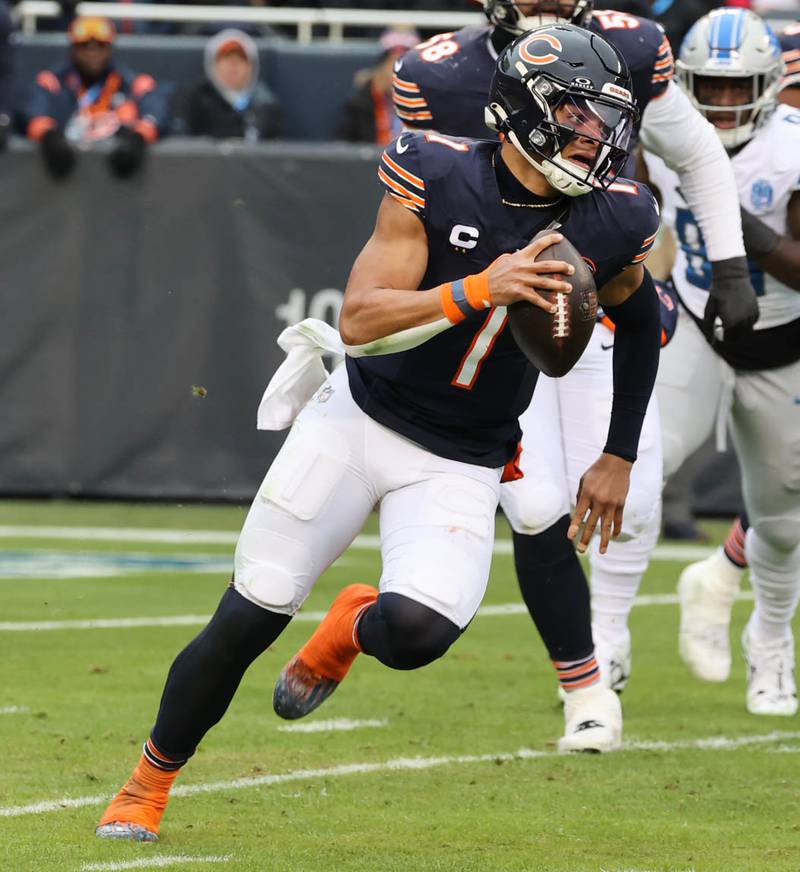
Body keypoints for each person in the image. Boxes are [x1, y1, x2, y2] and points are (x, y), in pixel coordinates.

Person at [96, 24, 662, 842]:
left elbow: (639, 321)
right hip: (360, 420)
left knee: (418, 633)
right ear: (523, 110)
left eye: (603, 118)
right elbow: (359, 321)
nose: (593, 134)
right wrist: (479, 288)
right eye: (575, 113)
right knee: (251, 613)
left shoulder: (613, 220)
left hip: (465, 454)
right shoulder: (438, 171)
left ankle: (350, 627)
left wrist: (618, 452)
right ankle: (145, 784)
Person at [393, 0, 757, 751]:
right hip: (490, 320)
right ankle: (585, 680)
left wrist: (727, 266)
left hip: (591, 293)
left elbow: (694, 156)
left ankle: (610, 634)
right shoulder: (439, 71)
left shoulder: (631, 46)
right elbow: (407, 215)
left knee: (635, 493)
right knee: (536, 507)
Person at [637, 8, 800, 717]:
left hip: (781, 340)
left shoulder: (790, 150)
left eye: (740, 90)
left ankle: (769, 644)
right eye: (712, 87)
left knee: (784, 520)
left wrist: (730, 218)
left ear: (767, 87)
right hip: (697, 324)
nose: (726, 102)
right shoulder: (659, 131)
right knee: (638, 473)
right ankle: (600, 657)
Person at [21, 17, 170, 179]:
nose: (93, 53)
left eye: (100, 46)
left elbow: (156, 113)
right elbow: (33, 112)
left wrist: (138, 138)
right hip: (66, 177)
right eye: (84, 46)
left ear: (110, 49)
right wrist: (49, 138)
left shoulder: (132, 83)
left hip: (117, 178)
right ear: (74, 49)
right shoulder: (53, 82)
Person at [185, 29, 281, 141]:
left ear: (252, 66)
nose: (233, 65)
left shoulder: (266, 103)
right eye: (226, 58)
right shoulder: (197, 100)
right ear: (213, 65)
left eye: (241, 59)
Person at [336, 27, 419, 144]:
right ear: (380, 68)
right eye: (393, 65)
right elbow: (345, 148)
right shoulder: (359, 103)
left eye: (406, 67)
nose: (398, 74)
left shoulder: (430, 105)